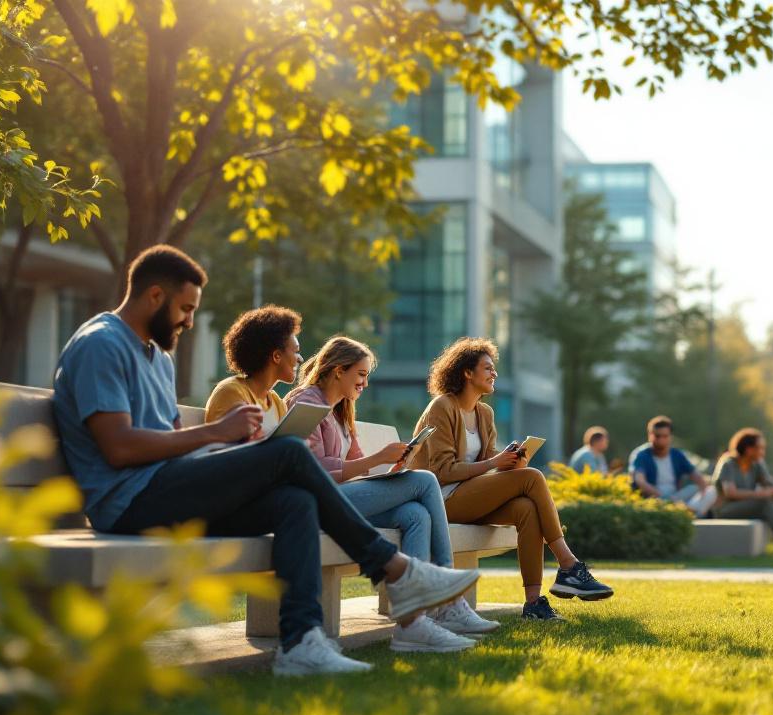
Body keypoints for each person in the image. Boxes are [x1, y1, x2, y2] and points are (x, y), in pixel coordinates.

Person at [52, 245, 479, 676]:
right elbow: (119, 447)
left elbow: (169, 441)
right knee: (290, 452)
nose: (189, 321)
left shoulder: (158, 359)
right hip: (126, 503)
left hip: (167, 490)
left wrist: (229, 455)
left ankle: (300, 643)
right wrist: (220, 435)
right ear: (155, 296)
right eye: (185, 309)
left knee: (295, 501)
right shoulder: (101, 344)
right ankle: (396, 570)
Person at [285, 336, 498, 649]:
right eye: (361, 374)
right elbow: (309, 469)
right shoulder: (305, 401)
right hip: (318, 503)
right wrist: (376, 459)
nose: (365, 383)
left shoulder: (342, 409)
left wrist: (391, 468)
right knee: (425, 481)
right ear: (337, 370)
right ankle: (448, 597)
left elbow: (358, 465)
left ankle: (412, 623)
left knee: (415, 514)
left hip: (346, 499)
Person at [406, 337, 613, 621]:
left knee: (526, 508)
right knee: (532, 478)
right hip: (440, 500)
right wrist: (495, 462)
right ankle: (568, 564)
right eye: (488, 368)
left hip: (469, 497)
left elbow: (488, 463)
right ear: (467, 372)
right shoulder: (442, 407)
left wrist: (512, 462)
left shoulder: (484, 413)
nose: (494, 374)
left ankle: (533, 604)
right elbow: (442, 471)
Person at [203, 305, 302, 438]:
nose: (300, 359)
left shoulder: (277, 403)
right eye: (296, 351)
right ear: (276, 356)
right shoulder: (232, 392)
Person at [630, 416, 719, 517]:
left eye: (665, 436)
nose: (661, 440)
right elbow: (640, 481)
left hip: (676, 496)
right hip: (654, 498)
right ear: (650, 435)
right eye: (657, 436)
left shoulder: (677, 455)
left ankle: (687, 512)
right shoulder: (641, 455)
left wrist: (703, 489)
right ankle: (688, 513)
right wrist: (662, 497)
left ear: (670, 436)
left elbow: (696, 476)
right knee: (667, 502)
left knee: (711, 491)